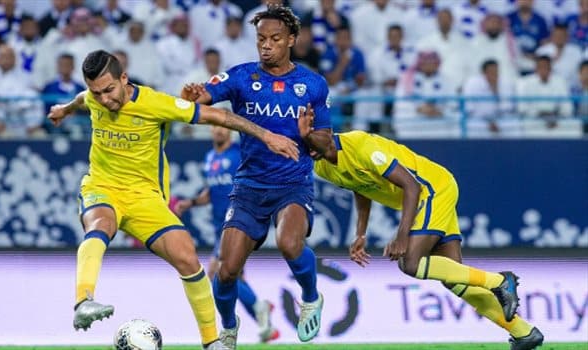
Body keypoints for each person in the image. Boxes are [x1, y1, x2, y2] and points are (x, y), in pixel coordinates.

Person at [47, 49, 299, 350]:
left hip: (145, 198)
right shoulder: (92, 98)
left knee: (188, 258)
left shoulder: (156, 104)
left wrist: (267, 135)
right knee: (101, 223)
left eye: (109, 90)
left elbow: (218, 115)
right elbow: (80, 100)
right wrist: (63, 109)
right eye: (96, 92)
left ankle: (212, 342)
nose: (104, 100)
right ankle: (83, 302)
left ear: (124, 78)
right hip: (102, 187)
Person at [298, 119, 544, 350]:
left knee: (410, 263)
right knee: (455, 279)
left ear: (328, 132)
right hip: (428, 196)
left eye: (313, 136)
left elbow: (411, 185)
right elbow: (360, 188)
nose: (310, 146)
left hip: (432, 189)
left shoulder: (362, 145)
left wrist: (402, 236)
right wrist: (360, 234)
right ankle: (524, 332)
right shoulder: (322, 168)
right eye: (305, 143)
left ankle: (499, 281)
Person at [180, 4, 332, 348]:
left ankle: (311, 297)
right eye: (261, 38)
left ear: (292, 39)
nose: (266, 45)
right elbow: (204, 96)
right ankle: (230, 329)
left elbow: (326, 141)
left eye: (275, 38)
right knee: (227, 270)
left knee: (290, 244)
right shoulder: (240, 76)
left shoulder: (312, 84)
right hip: (248, 187)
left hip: (293, 184)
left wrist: (309, 136)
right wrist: (192, 95)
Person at [175, 125, 280, 343]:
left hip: (237, 223)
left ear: (230, 131)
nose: (218, 131)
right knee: (234, 276)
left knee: (217, 271)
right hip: (218, 227)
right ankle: (264, 323)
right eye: (214, 127)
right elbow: (212, 192)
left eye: (223, 128)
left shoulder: (238, 155)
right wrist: (192, 202)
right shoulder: (210, 157)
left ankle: (252, 312)